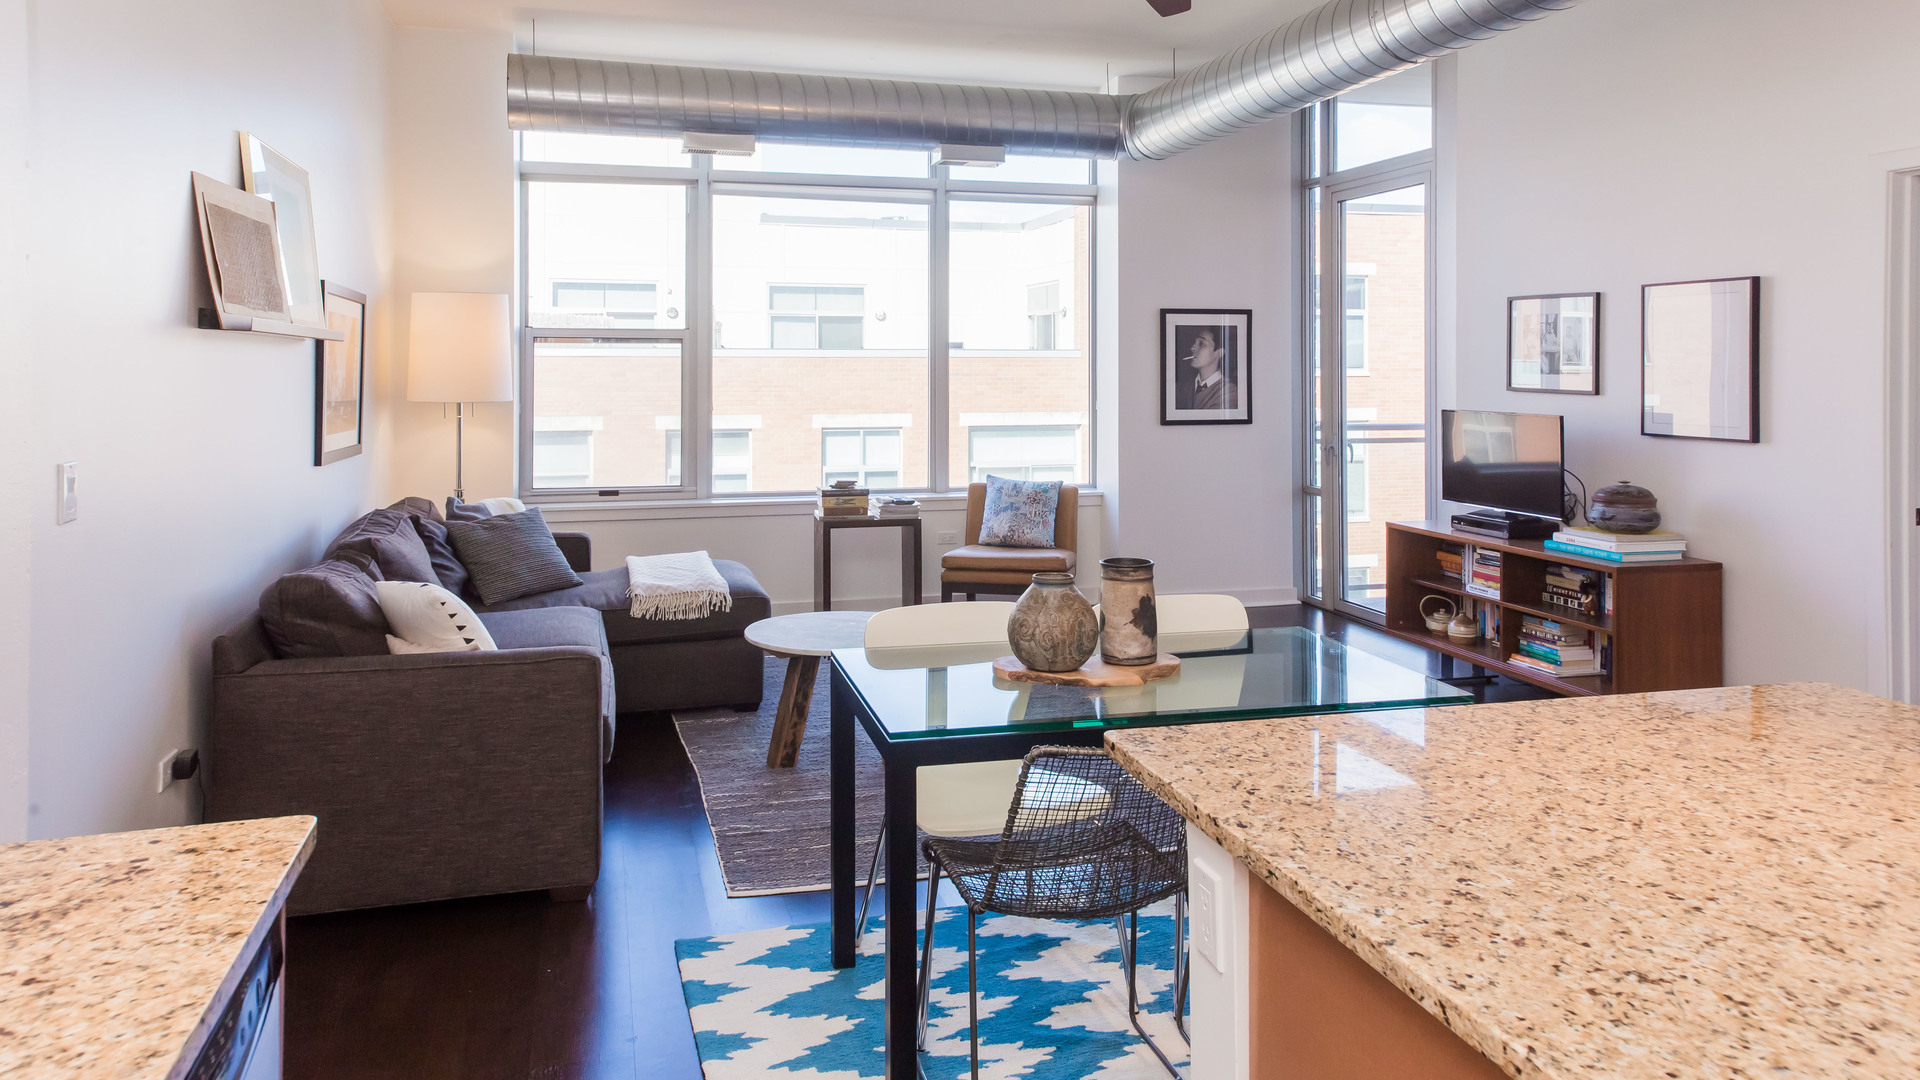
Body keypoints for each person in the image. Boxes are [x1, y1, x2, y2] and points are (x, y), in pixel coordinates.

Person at [1179, 326, 1233, 412]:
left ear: (1219, 353)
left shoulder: (1229, 392)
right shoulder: (1186, 387)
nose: (1192, 348)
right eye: (1195, 342)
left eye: (1201, 344)